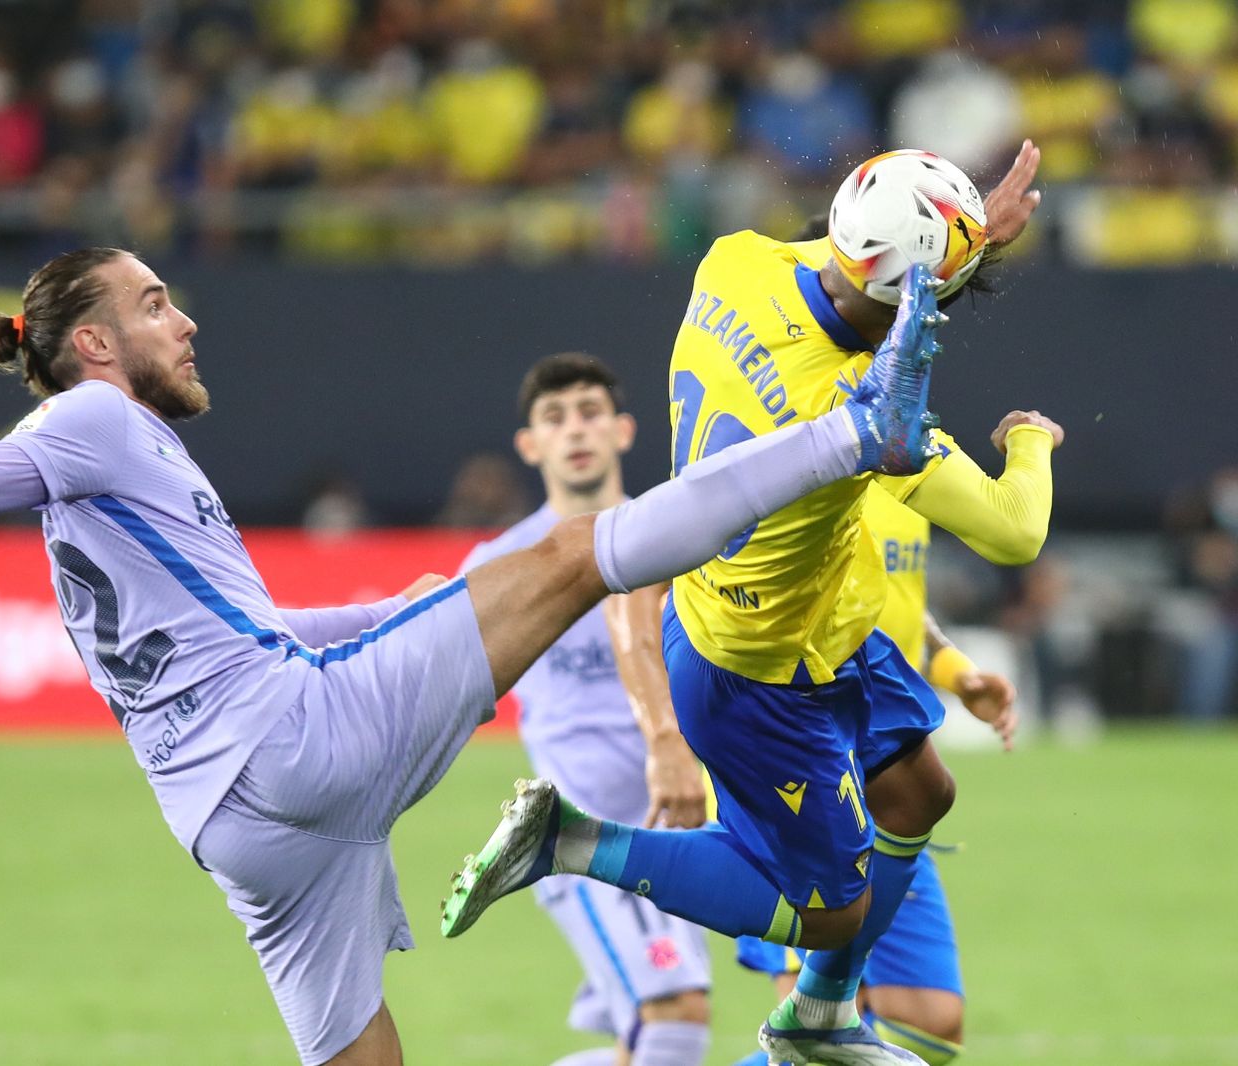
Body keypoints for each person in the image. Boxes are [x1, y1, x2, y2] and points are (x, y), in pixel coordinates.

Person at [0, 245, 943, 1066]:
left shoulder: (115, 483)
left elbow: (244, 631)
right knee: (575, 551)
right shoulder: (85, 424)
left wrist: (390, 613)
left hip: (233, 824)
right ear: (94, 345)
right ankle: (853, 429)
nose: (186, 317)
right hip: (295, 745)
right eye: (155, 302)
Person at [440, 144, 1055, 1066]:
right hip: (762, 674)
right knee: (829, 912)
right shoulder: (864, 422)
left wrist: (960, 248)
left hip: (802, 620)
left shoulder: (732, 260)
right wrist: (1034, 444)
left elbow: (860, 277)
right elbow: (1014, 531)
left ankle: (825, 1016)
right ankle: (572, 843)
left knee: (922, 791)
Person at [730, 470, 1032, 1066]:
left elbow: (892, 604)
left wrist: (953, 670)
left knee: (931, 1026)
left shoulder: (915, 472)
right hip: (799, 783)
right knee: (812, 1032)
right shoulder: (809, 465)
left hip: (885, 791)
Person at [462, 353, 715, 1066]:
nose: (575, 429)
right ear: (530, 446)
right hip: (588, 840)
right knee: (676, 1020)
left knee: (647, 1041)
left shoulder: (673, 536)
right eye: (554, 417)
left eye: (590, 412)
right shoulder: (500, 564)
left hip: (685, 831)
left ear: (625, 430)